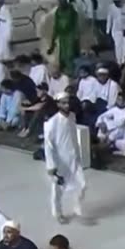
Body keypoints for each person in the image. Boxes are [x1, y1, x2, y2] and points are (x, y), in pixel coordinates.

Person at [44, 93, 87, 223]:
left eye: (67, 102)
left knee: (83, 184)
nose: (66, 105)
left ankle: (77, 206)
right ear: (58, 104)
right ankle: (58, 213)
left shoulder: (72, 117)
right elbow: (48, 146)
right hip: (60, 161)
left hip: (74, 158)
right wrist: (51, 166)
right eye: (63, 103)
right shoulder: (52, 122)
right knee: (58, 190)